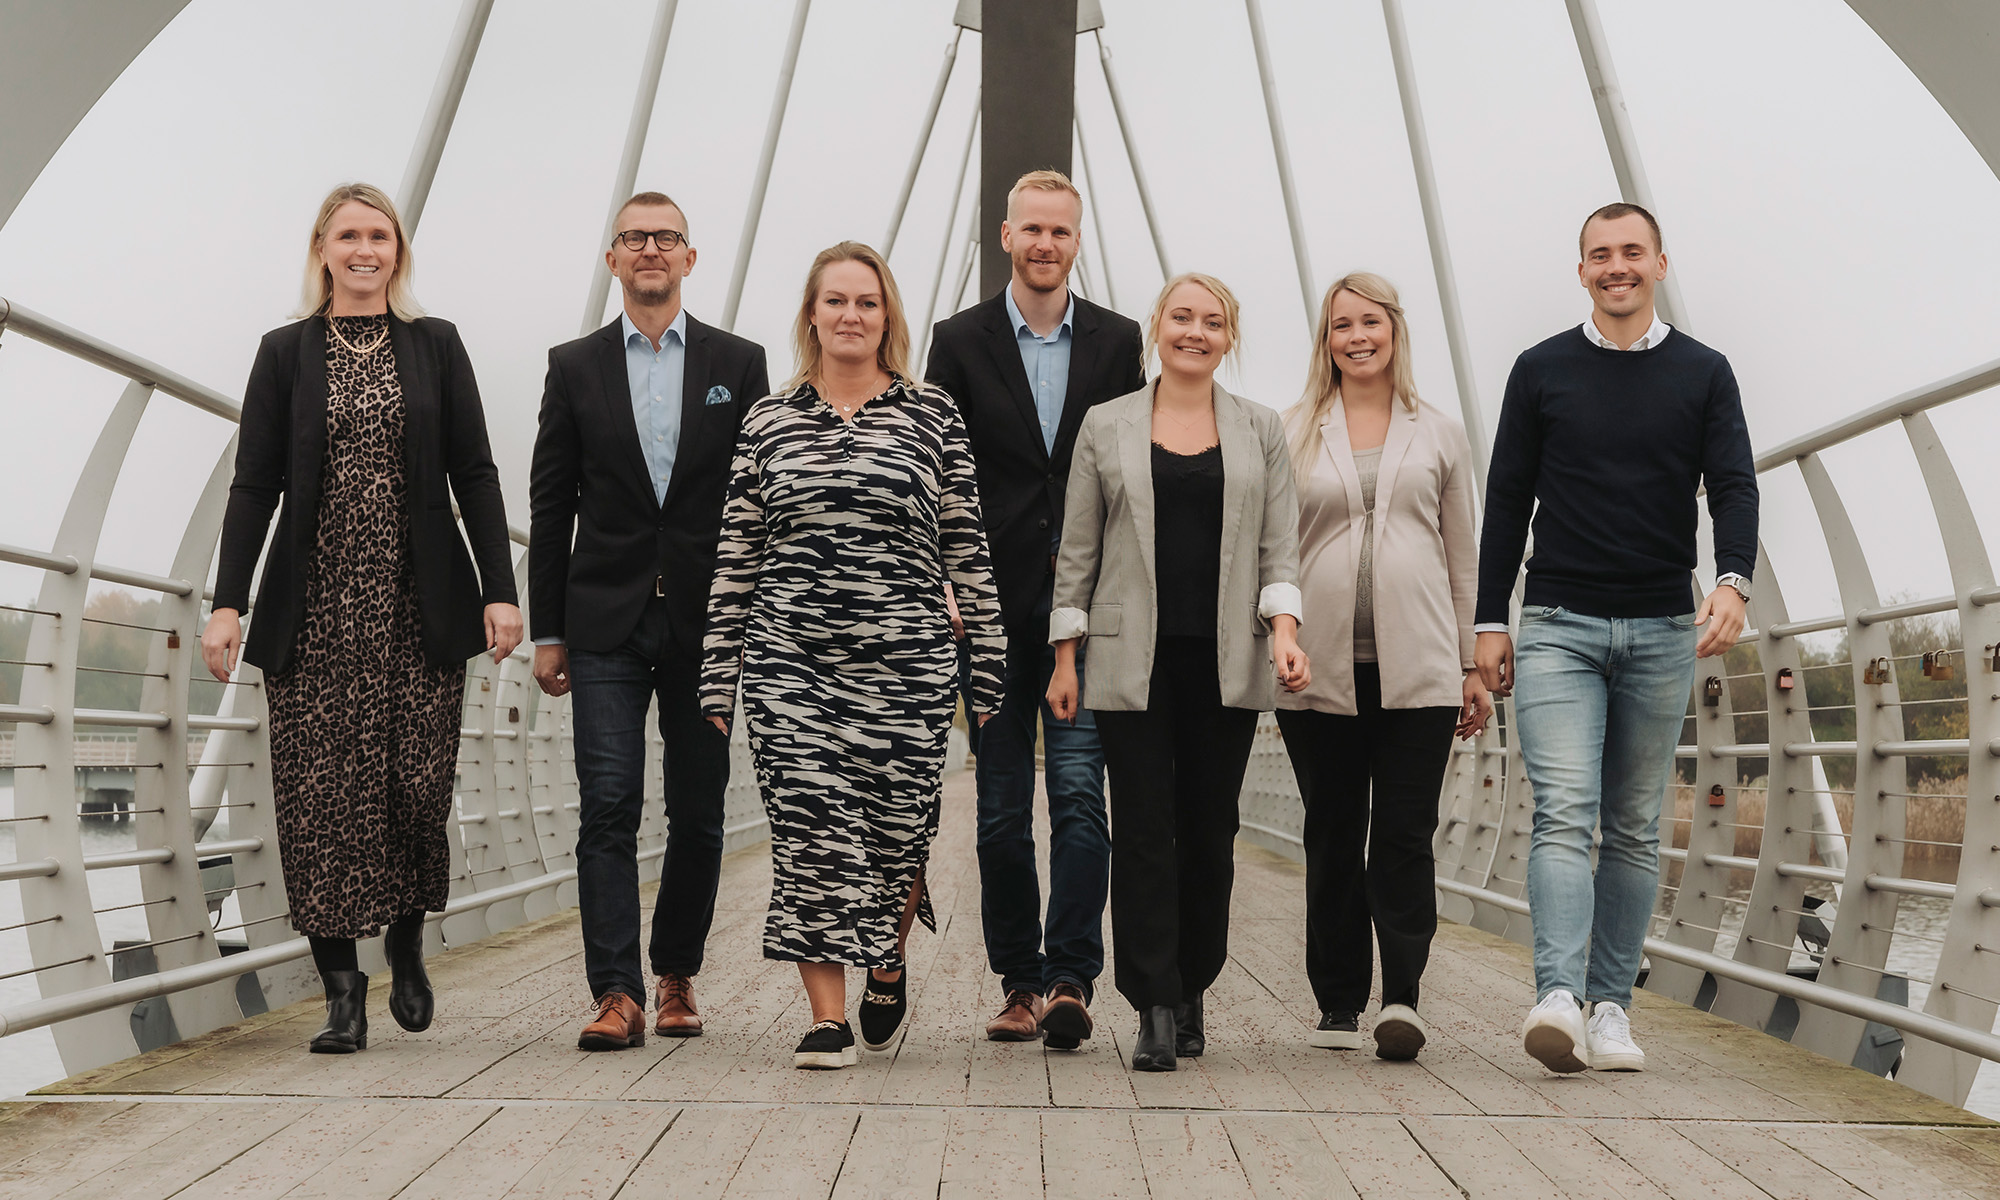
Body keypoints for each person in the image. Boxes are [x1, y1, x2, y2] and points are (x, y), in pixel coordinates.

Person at [201, 182, 522, 1054]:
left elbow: (477, 474)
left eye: (378, 234)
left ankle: (407, 935)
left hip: (420, 606)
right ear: (323, 248)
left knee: (416, 785)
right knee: (317, 799)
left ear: (397, 249)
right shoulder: (284, 353)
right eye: (348, 235)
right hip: (315, 610)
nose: (364, 249)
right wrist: (228, 601)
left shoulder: (436, 346)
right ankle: (342, 990)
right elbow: (254, 483)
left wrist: (501, 587)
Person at [701, 242, 1004, 1070]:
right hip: (789, 661)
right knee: (811, 830)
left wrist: (988, 667)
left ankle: (889, 958)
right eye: (835, 301)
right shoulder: (767, 419)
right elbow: (737, 553)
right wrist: (717, 672)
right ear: (811, 314)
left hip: (907, 663)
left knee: (895, 831)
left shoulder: (931, 414)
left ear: (887, 318)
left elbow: (967, 544)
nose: (850, 316)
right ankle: (826, 1019)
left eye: (866, 303)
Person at [1476, 203, 1756, 1074]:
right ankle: (1557, 995)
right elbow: (1506, 498)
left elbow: (1734, 483)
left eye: (1631, 252)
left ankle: (1611, 1009)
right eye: (1600, 254)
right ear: (1583, 270)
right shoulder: (1540, 369)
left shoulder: (1705, 372)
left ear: (1660, 263)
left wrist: (1734, 579)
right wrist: (1490, 618)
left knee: (1634, 826)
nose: (1616, 266)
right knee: (1565, 811)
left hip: (1664, 626)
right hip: (1558, 622)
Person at [1047, 272, 1309, 1072]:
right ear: (1157, 327)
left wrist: (1287, 633)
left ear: (1229, 337)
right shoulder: (1106, 424)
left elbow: (1278, 548)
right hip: (1131, 662)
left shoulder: (1261, 429)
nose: (1196, 332)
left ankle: (1195, 979)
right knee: (1145, 832)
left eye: (1214, 321)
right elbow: (1079, 549)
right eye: (1182, 317)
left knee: (1210, 831)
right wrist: (1066, 655)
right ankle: (1154, 1003)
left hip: (1227, 659)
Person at [528, 191, 770, 1051]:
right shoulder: (574, 364)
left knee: (698, 807)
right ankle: (616, 991)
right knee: (608, 804)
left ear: (689, 258)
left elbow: (757, 501)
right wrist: (545, 629)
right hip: (604, 620)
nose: (651, 250)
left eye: (666, 237)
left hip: (710, 619)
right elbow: (551, 504)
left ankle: (676, 975)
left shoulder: (739, 363)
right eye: (635, 238)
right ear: (613, 259)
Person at [924, 170, 1144, 1048]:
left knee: (1083, 804)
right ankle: (1017, 980)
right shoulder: (959, 341)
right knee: (1005, 808)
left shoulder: (1119, 341)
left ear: (1076, 242)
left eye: (1061, 231)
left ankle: (1070, 979)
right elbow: (939, 471)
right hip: (988, 610)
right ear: (1006, 237)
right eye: (1032, 230)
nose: (1046, 243)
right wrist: (942, 578)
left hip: (1087, 612)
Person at [1275, 273, 1489, 1061]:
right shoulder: (1293, 430)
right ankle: (1337, 1002)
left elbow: (1462, 554)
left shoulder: (1439, 432)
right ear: (1324, 340)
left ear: (1394, 330)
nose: (1356, 337)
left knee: (1403, 834)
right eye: (1340, 326)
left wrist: (1474, 662)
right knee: (1332, 833)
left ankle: (1402, 996)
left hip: (1421, 669)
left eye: (1370, 322)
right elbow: (1273, 554)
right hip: (1315, 672)